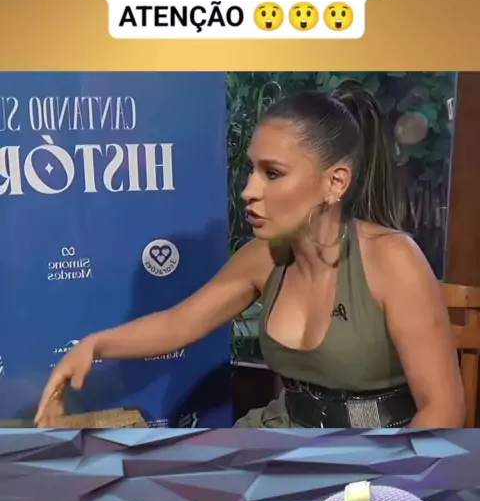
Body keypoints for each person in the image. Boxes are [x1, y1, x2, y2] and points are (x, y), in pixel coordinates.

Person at [34, 84, 465, 429]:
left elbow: (443, 411)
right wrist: (95, 345)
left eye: (272, 174)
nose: (248, 190)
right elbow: (179, 324)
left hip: (376, 455)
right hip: (281, 437)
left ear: (335, 183)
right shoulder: (262, 258)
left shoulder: (393, 259)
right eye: (251, 169)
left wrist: (381, 497)